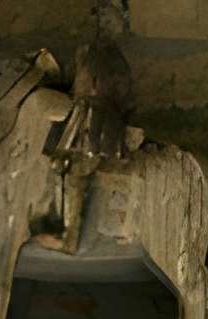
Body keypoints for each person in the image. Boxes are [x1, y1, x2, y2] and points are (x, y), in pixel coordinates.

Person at [37, 0, 138, 252]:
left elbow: (124, 99)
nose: (103, 24)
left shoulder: (116, 60)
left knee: (77, 174)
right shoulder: (86, 51)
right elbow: (77, 82)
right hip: (79, 116)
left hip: (100, 122)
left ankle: (71, 237)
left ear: (120, 24)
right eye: (101, 19)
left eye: (109, 19)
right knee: (60, 166)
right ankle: (58, 225)